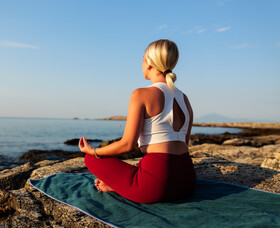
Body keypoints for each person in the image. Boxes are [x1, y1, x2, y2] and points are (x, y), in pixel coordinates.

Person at [78, 39, 196, 204]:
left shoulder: (141, 94)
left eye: (142, 58)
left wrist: (93, 151)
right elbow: (184, 143)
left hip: (157, 186)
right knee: (143, 167)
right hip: (187, 181)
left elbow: (127, 145)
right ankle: (119, 185)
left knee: (90, 160)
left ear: (149, 63)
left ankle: (123, 186)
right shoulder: (185, 98)